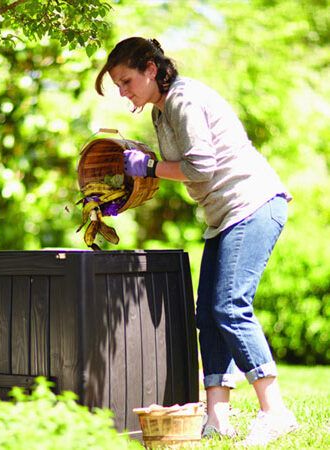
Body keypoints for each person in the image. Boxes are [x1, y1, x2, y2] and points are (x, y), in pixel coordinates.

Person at [95, 37, 299, 446]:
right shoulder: (160, 111)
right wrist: (141, 173)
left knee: (229, 305)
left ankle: (275, 412)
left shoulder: (184, 100)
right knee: (207, 313)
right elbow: (177, 167)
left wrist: (150, 166)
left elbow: (200, 168)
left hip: (252, 204)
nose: (123, 92)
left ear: (151, 69)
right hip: (224, 215)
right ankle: (217, 419)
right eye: (118, 85)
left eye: (127, 80)